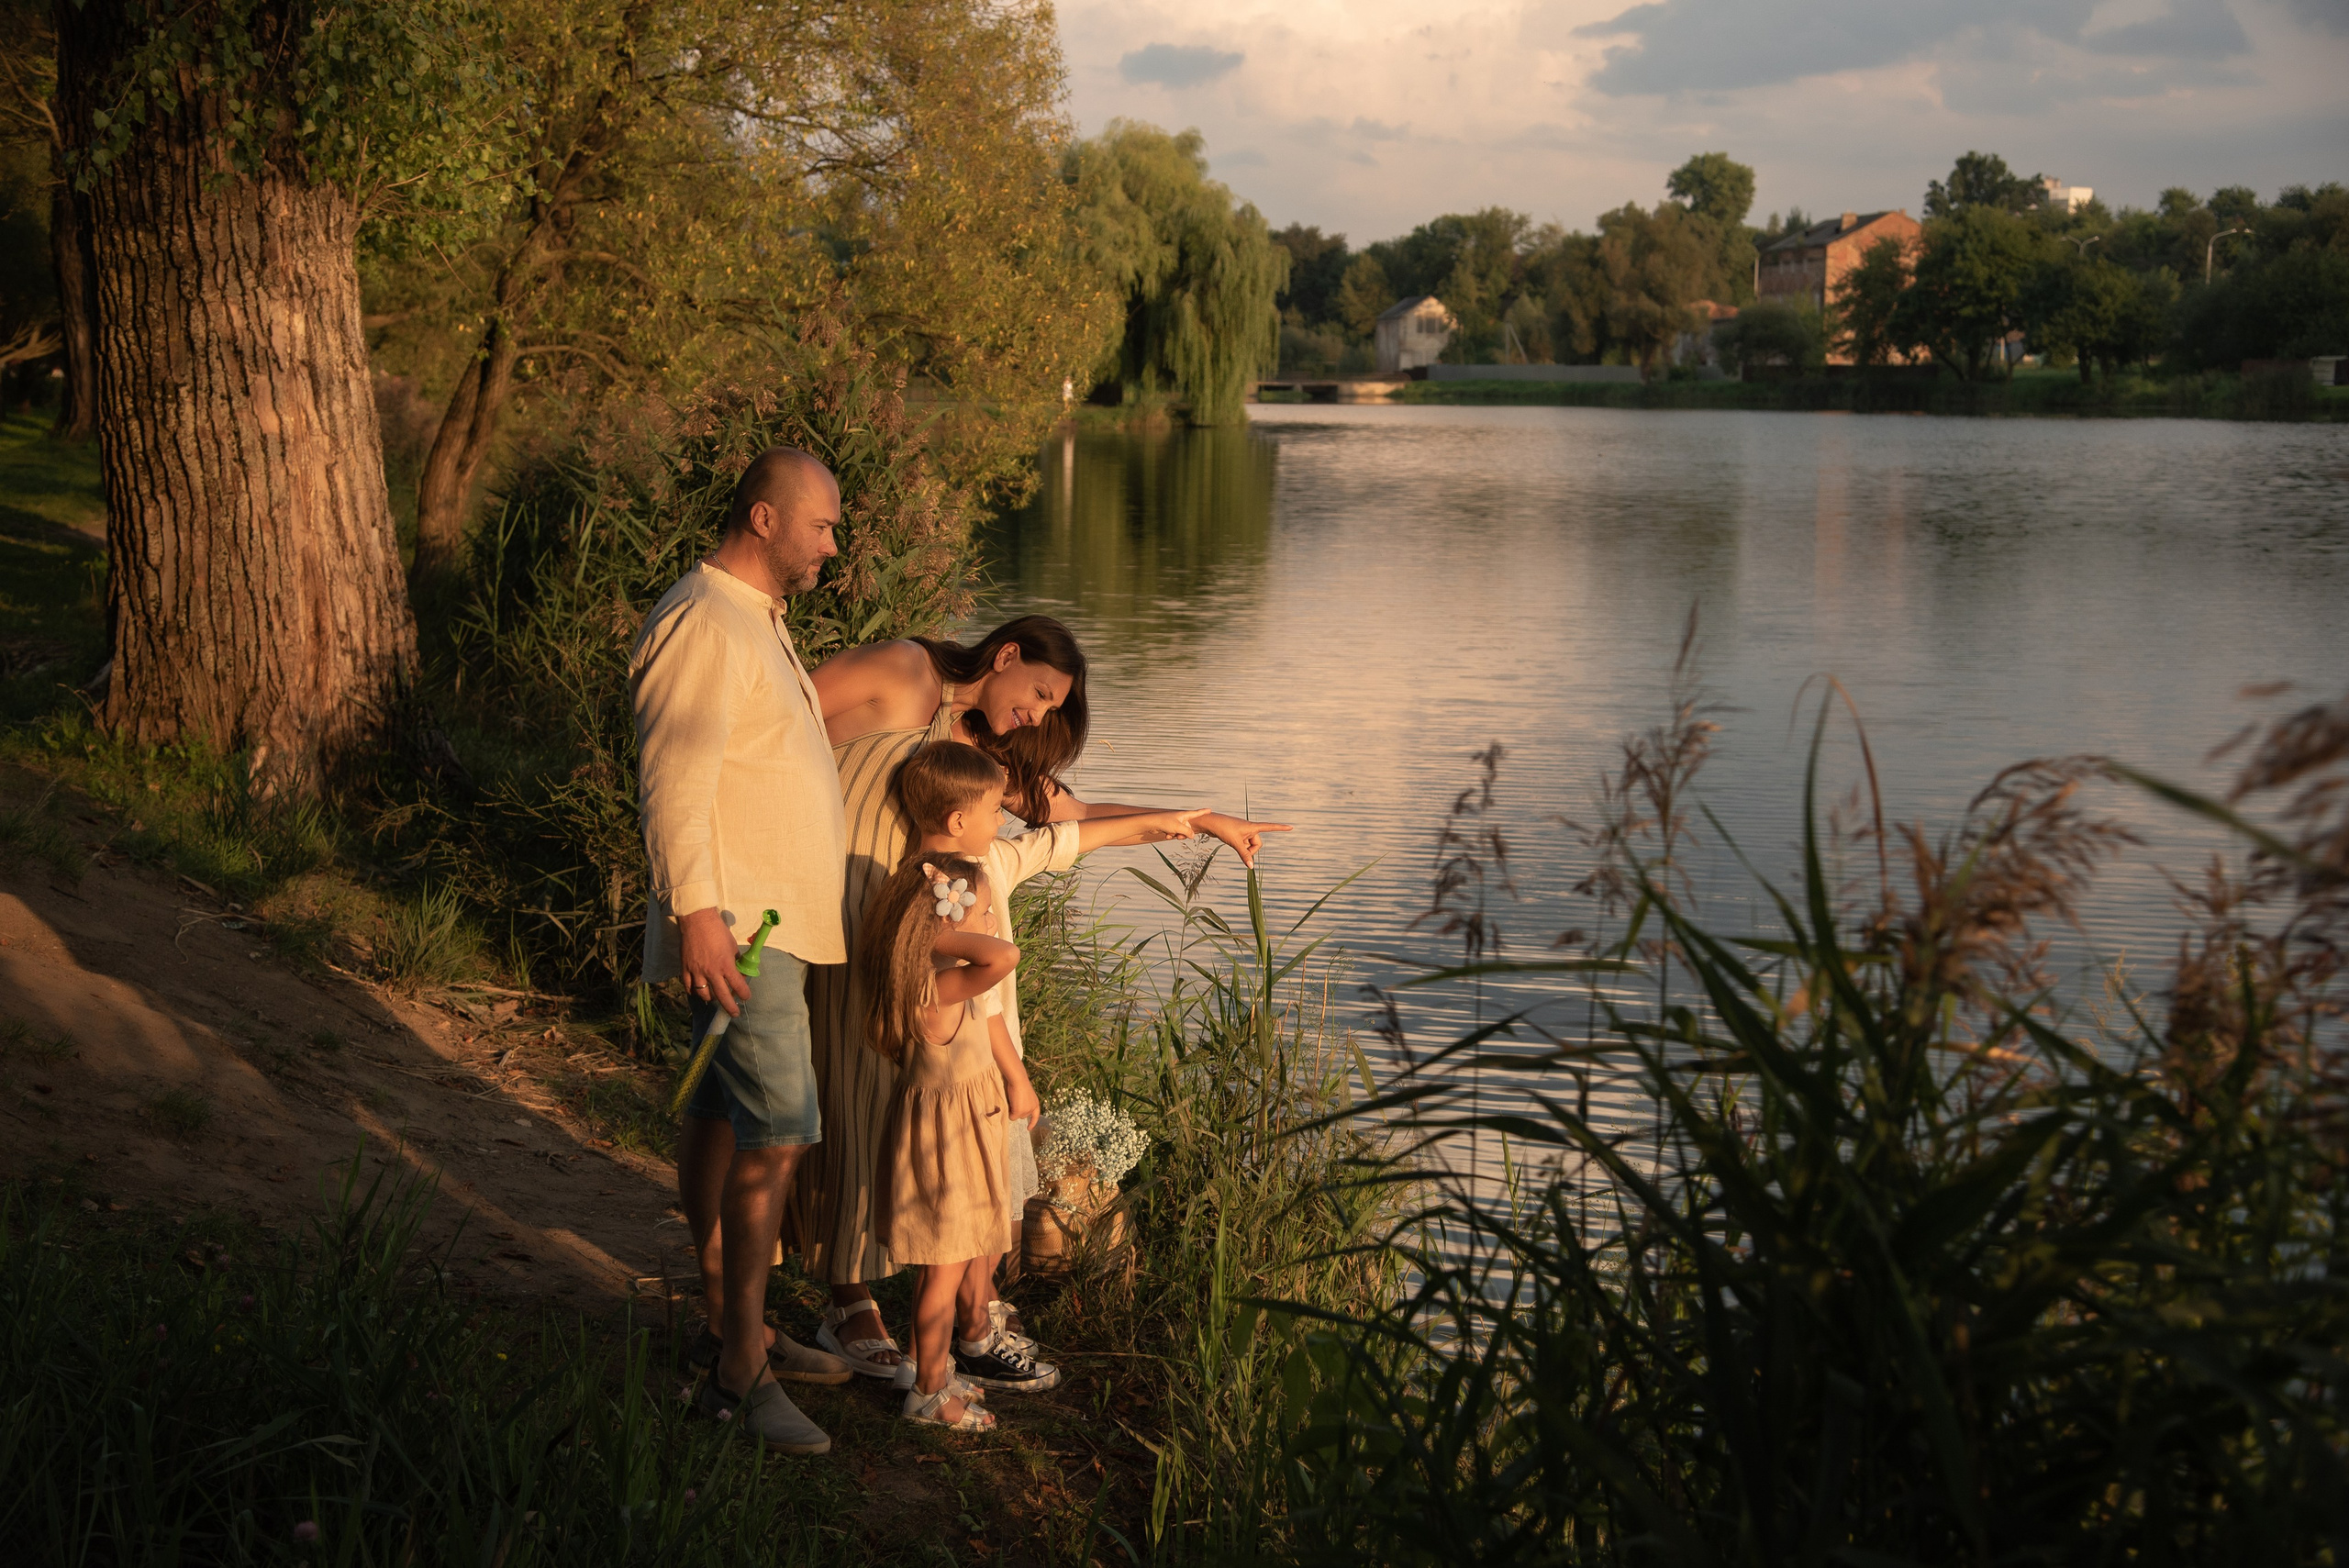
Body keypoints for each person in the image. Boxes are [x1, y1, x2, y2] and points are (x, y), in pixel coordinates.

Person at [796, 619, 1288, 1377]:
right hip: (842, 907)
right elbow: (781, 715)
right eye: (1040, 694)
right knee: (845, 1094)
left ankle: (951, 1307)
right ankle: (850, 1298)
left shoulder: (982, 761)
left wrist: (1200, 819)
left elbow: (1073, 819)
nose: (1038, 715)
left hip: (923, 939)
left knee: (893, 1105)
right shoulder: (902, 671)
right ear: (1006, 657)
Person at [629, 444, 853, 1456]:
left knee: (724, 1116)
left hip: (767, 923)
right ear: (763, 519)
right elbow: (674, 774)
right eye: (821, 524)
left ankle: (736, 1322)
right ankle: (739, 1377)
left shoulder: (756, 621)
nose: (833, 543)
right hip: (741, 928)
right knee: (780, 1132)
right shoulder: (702, 618)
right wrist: (699, 912)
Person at [896, 739, 1206, 1389]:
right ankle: (954, 1355)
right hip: (958, 1081)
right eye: (992, 811)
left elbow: (1079, 831)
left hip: (976, 1069)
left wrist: (1193, 821)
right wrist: (984, 935)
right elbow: (979, 980)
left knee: (986, 1211)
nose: (1004, 820)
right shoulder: (946, 888)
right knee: (964, 1225)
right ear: (958, 820)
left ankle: (969, 1331)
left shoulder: (976, 868)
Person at [862, 851, 1019, 1431]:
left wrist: (959, 928)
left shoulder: (935, 983)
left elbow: (995, 952)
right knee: (944, 1269)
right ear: (944, 926)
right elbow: (1006, 956)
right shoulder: (937, 987)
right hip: (948, 1145)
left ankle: (924, 1365)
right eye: (981, 914)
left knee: (939, 1267)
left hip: (953, 1133)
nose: (993, 927)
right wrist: (950, 938)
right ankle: (928, 1394)